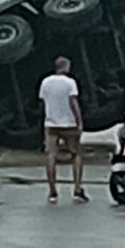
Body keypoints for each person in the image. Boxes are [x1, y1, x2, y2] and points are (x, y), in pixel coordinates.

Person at [38, 56, 90, 205]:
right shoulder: (70, 82)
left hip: (51, 123)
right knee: (76, 154)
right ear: (66, 66)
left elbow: (43, 101)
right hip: (69, 123)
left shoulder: (45, 82)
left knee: (51, 155)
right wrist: (79, 121)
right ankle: (77, 190)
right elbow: (73, 102)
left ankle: (53, 192)